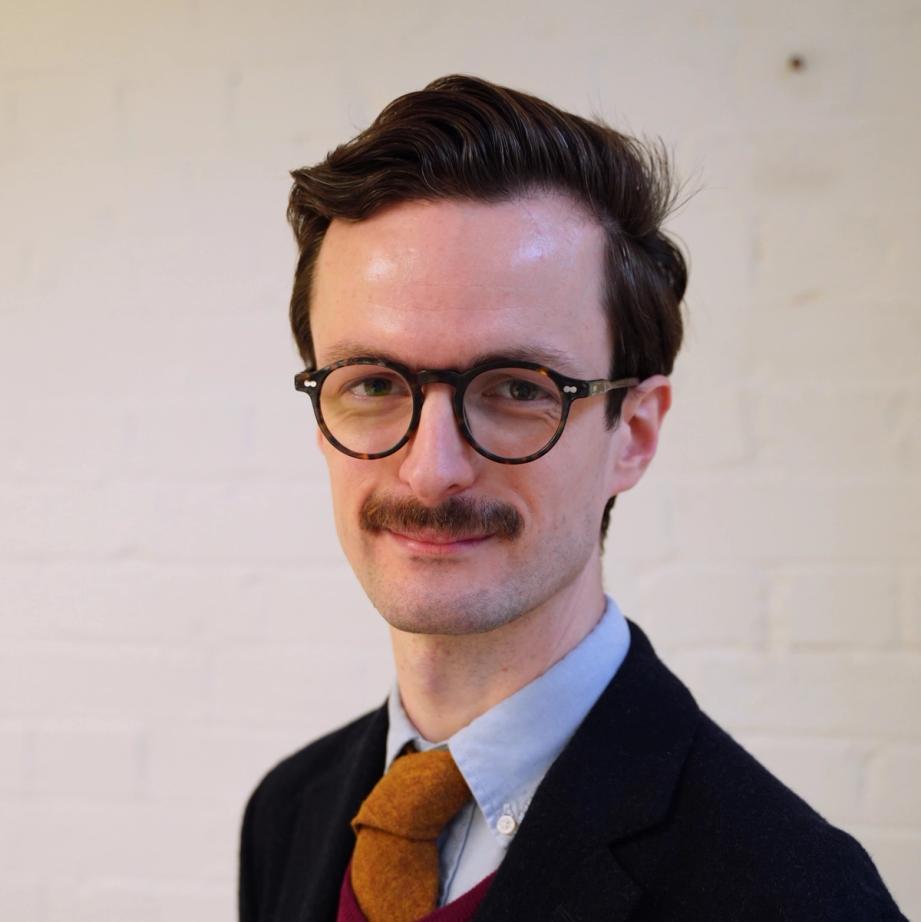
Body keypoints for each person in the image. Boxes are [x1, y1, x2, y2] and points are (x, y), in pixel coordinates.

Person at [239, 75, 906, 921]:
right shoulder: (288, 812)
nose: (430, 470)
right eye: (371, 382)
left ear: (633, 431)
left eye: (517, 388)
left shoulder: (793, 896)